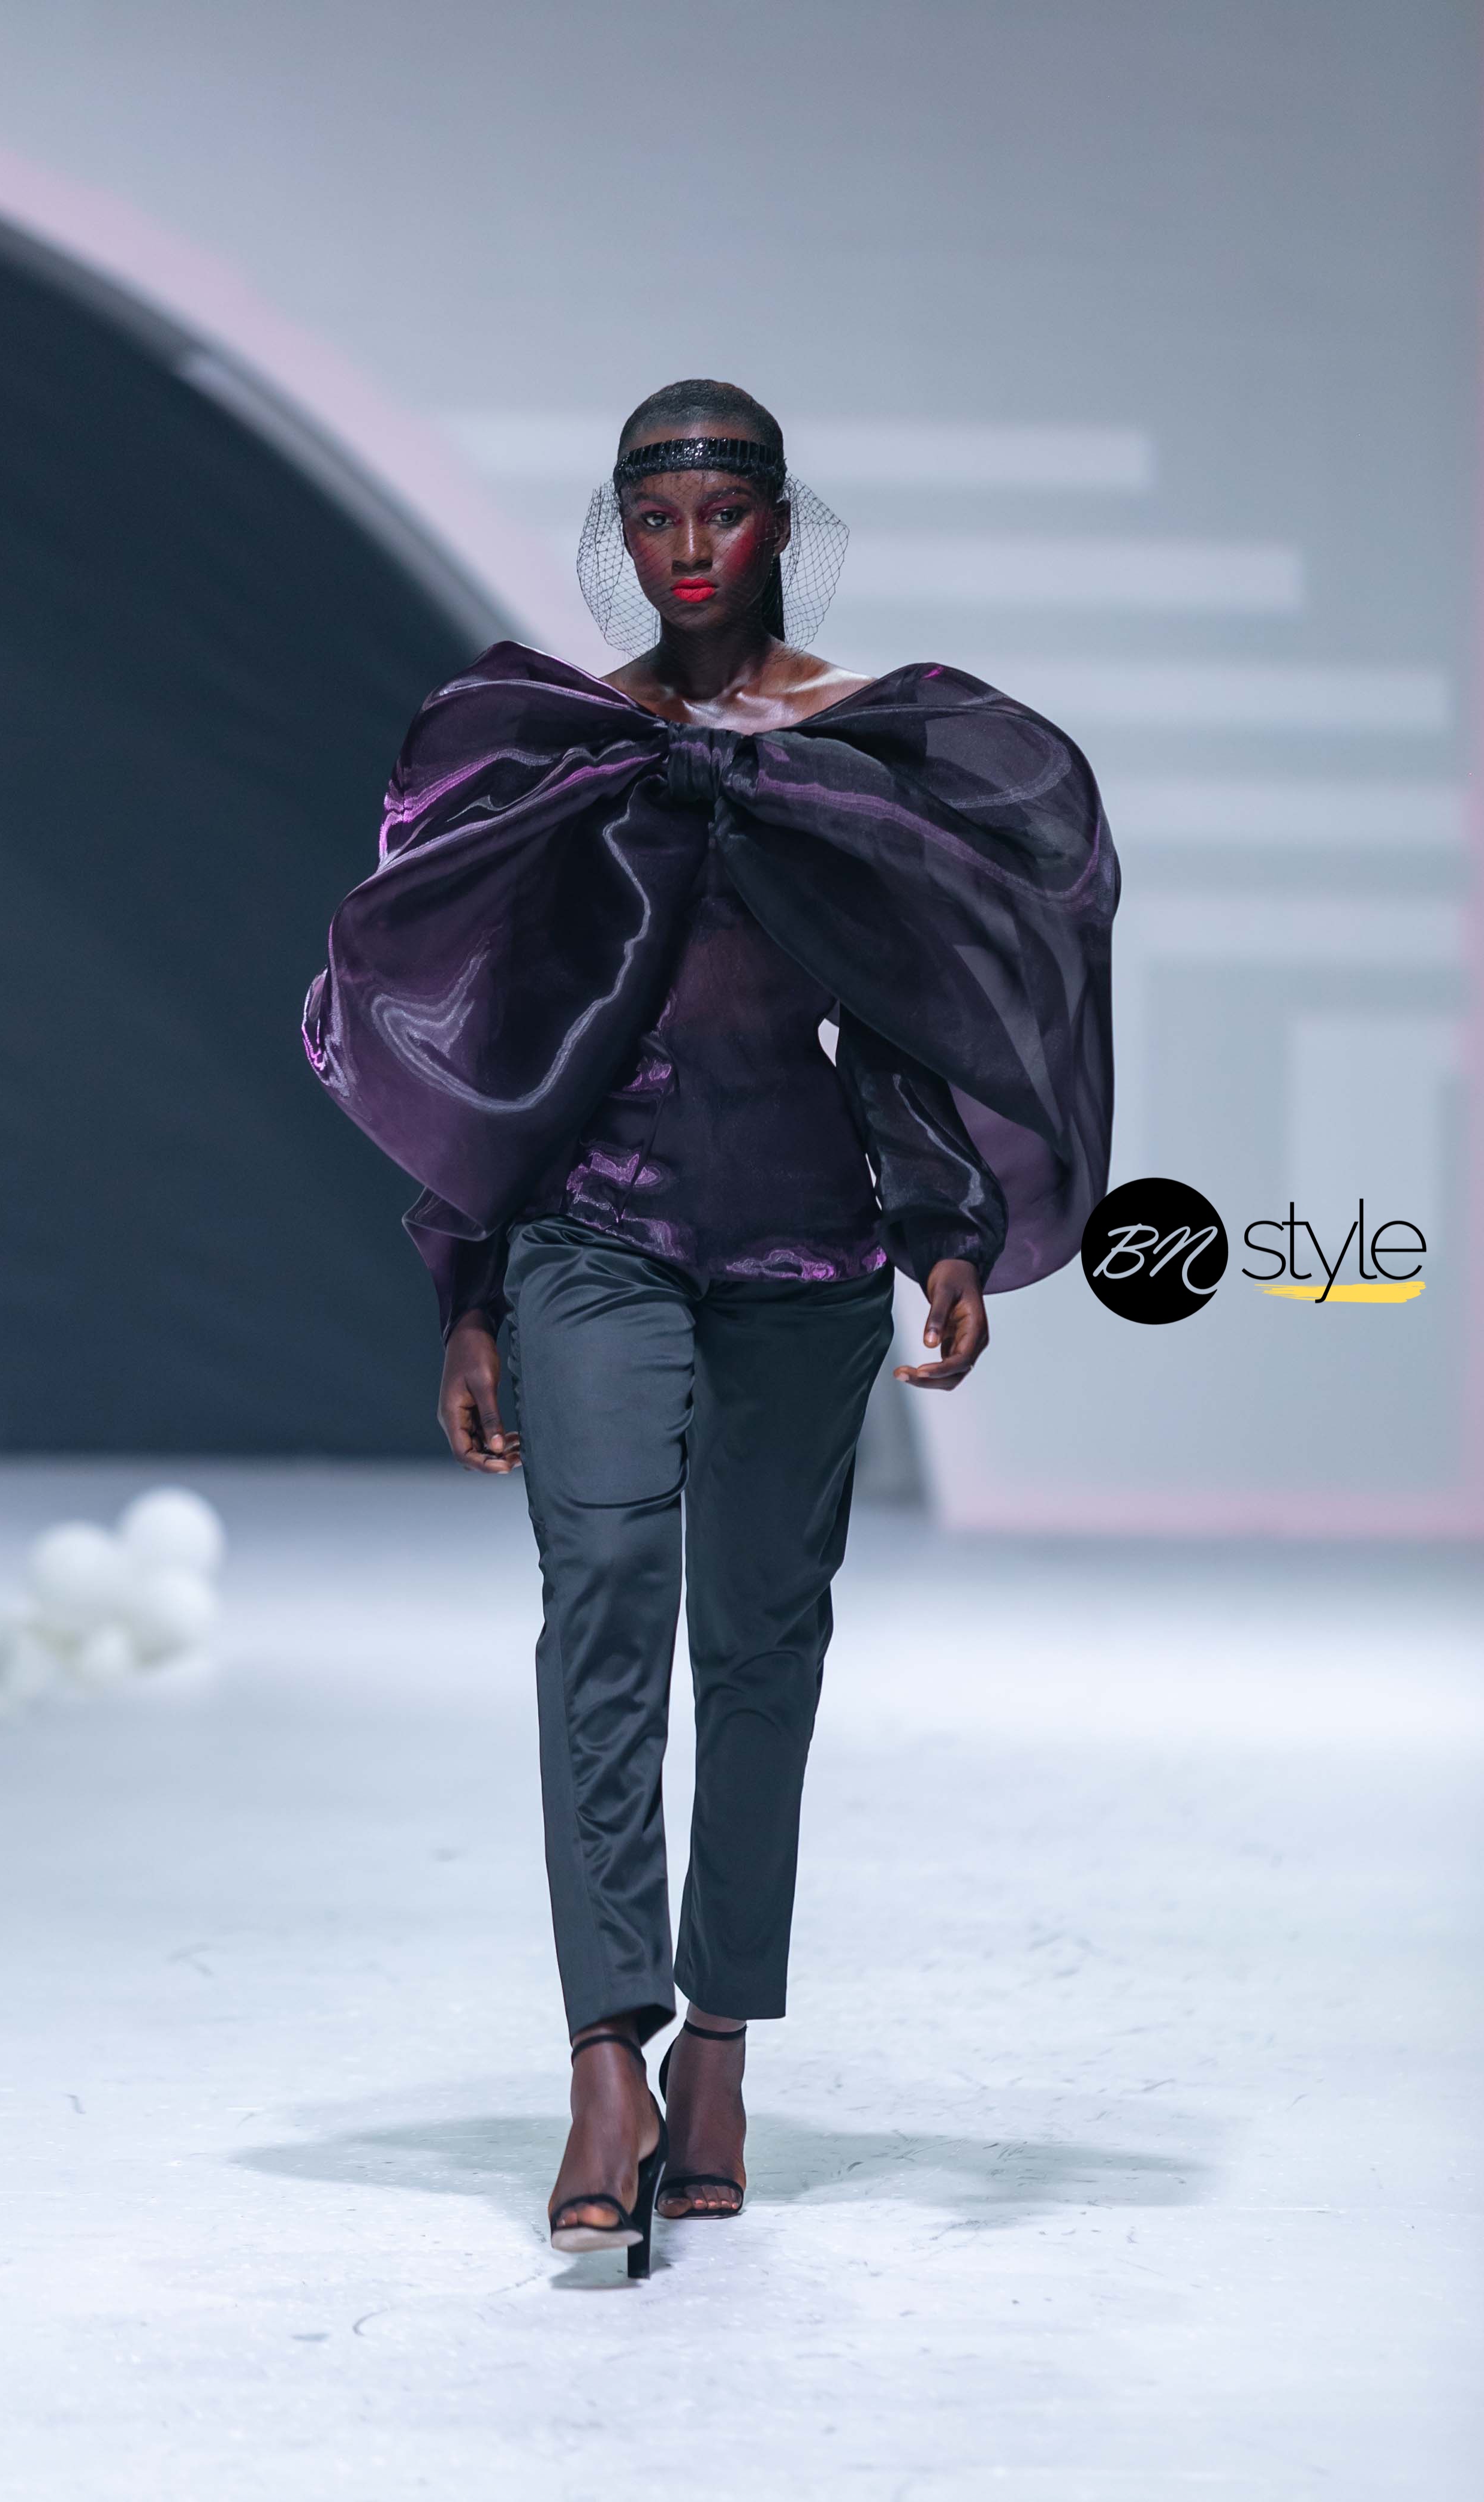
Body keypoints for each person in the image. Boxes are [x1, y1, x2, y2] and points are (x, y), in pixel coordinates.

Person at [304, 380, 1117, 2277]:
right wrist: (468, 1284)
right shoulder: (562, 754)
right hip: (594, 1230)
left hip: (805, 1251)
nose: (689, 552)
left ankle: (721, 2048)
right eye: (656, 520)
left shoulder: (859, 749)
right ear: (623, 531)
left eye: (721, 517)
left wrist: (948, 1233)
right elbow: (494, 1040)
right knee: (602, 1594)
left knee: (761, 1647)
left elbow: (911, 1018)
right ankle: (607, 2057)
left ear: (779, 526)